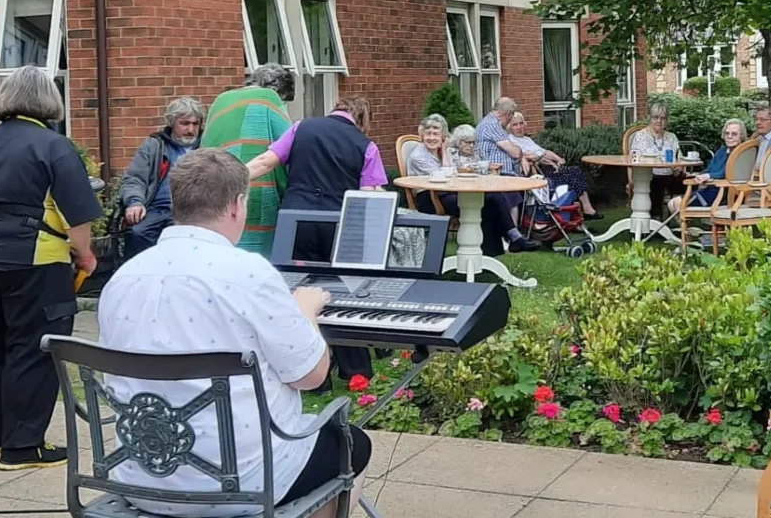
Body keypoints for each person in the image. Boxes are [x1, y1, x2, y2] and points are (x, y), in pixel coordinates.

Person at [97, 148, 371, 518]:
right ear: (237, 205)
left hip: (139, 475)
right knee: (352, 443)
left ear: (176, 203)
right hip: (239, 482)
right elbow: (311, 376)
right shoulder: (249, 274)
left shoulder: (122, 278)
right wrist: (306, 311)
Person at [0, 66, 102, 471]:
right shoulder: (54, 146)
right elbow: (77, 215)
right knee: (34, 347)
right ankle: (22, 447)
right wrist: (85, 255)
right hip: (30, 257)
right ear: (48, 101)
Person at [246, 96, 386, 382]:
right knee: (344, 291)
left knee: (296, 289)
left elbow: (265, 162)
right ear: (362, 120)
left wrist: (229, 180)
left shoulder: (301, 128)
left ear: (333, 109)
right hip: (340, 222)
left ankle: (304, 368)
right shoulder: (366, 145)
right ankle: (356, 371)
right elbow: (370, 195)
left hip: (297, 219)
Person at [406, 115, 537, 254]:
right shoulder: (419, 156)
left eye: (436, 134)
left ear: (442, 137)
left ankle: (504, 245)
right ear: (421, 136)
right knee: (484, 202)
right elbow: (445, 176)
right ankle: (510, 241)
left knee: (493, 198)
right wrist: (444, 151)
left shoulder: (438, 152)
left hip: (447, 192)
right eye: (428, 134)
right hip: (430, 198)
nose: (432, 138)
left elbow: (452, 175)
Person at [201, 64, 294, 257]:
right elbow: (289, 142)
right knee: (257, 256)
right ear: (278, 90)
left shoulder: (221, 99)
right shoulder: (268, 98)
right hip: (255, 187)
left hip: (216, 185)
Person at [118, 97, 204, 260]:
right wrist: (135, 202)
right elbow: (135, 178)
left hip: (193, 210)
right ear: (172, 122)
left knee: (181, 239)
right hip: (156, 208)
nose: (191, 129)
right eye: (184, 123)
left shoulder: (206, 146)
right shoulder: (154, 145)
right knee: (137, 232)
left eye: (195, 124)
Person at [507, 112, 603, 220]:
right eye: (515, 125)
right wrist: (543, 159)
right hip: (539, 174)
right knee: (573, 175)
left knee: (575, 172)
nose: (519, 127)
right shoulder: (510, 141)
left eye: (521, 123)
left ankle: (582, 212)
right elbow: (525, 155)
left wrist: (558, 159)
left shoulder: (527, 140)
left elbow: (544, 152)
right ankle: (585, 210)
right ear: (509, 127)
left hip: (548, 168)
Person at [668, 117, 747, 217]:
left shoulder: (742, 154)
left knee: (678, 203)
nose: (729, 136)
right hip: (709, 190)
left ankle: (689, 228)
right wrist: (699, 175)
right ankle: (687, 229)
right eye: (727, 133)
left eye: (734, 134)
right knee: (671, 204)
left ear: (741, 136)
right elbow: (710, 168)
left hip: (722, 194)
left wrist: (708, 176)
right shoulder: (722, 150)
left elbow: (726, 173)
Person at [628, 102, 685, 221]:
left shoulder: (672, 137)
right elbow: (634, 159)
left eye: (663, 118)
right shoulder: (640, 136)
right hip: (648, 175)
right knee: (656, 182)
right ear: (650, 118)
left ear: (667, 120)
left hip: (670, 174)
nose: (659, 121)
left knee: (689, 183)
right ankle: (655, 219)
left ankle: (682, 217)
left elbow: (679, 158)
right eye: (655, 117)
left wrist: (679, 167)